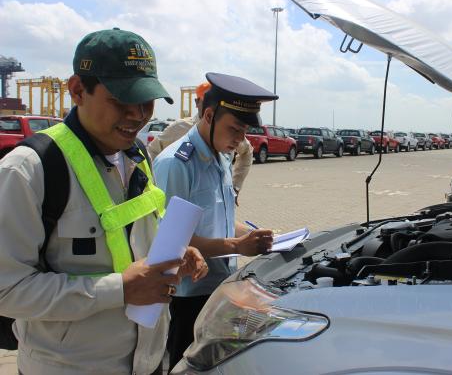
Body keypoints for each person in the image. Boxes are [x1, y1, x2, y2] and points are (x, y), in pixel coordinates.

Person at [0, 28, 208, 375]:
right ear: (78, 90)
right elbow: (8, 289)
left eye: (146, 101)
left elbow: (135, 241)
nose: (138, 115)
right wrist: (121, 289)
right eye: (120, 101)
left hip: (150, 361)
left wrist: (174, 253)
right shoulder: (28, 171)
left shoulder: (138, 154)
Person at [153, 72, 276, 370]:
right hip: (185, 298)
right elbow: (171, 242)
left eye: (244, 131)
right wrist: (237, 245)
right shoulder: (176, 164)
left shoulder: (221, 155)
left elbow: (221, 217)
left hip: (218, 288)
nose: (240, 139)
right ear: (208, 115)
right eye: (234, 129)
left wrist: (253, 235)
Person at [147, 83, 253, 205]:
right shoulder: (179, 128)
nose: (238, 138)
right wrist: (155, 184)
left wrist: (235, 187)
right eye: (206, 101)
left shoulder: (229, 136)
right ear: (197, 102)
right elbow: (152, 151)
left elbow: (247, 152)